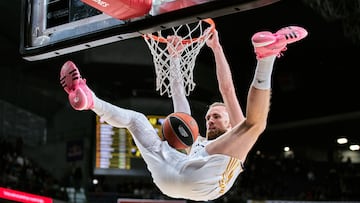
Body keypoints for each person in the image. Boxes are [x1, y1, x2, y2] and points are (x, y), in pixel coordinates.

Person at [59, 25, 307, 201]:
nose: (210, 119)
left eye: (217, 116)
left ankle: (267, 56)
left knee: (253, 125)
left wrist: (217, 49)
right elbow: (179, 97)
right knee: (137, 120)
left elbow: (227, 89)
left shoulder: (235, 133)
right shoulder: (196, 141)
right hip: (171, 172)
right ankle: (91, 100)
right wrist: (175, 59)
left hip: (203, 180)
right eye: (209, 116)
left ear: (229, 123)